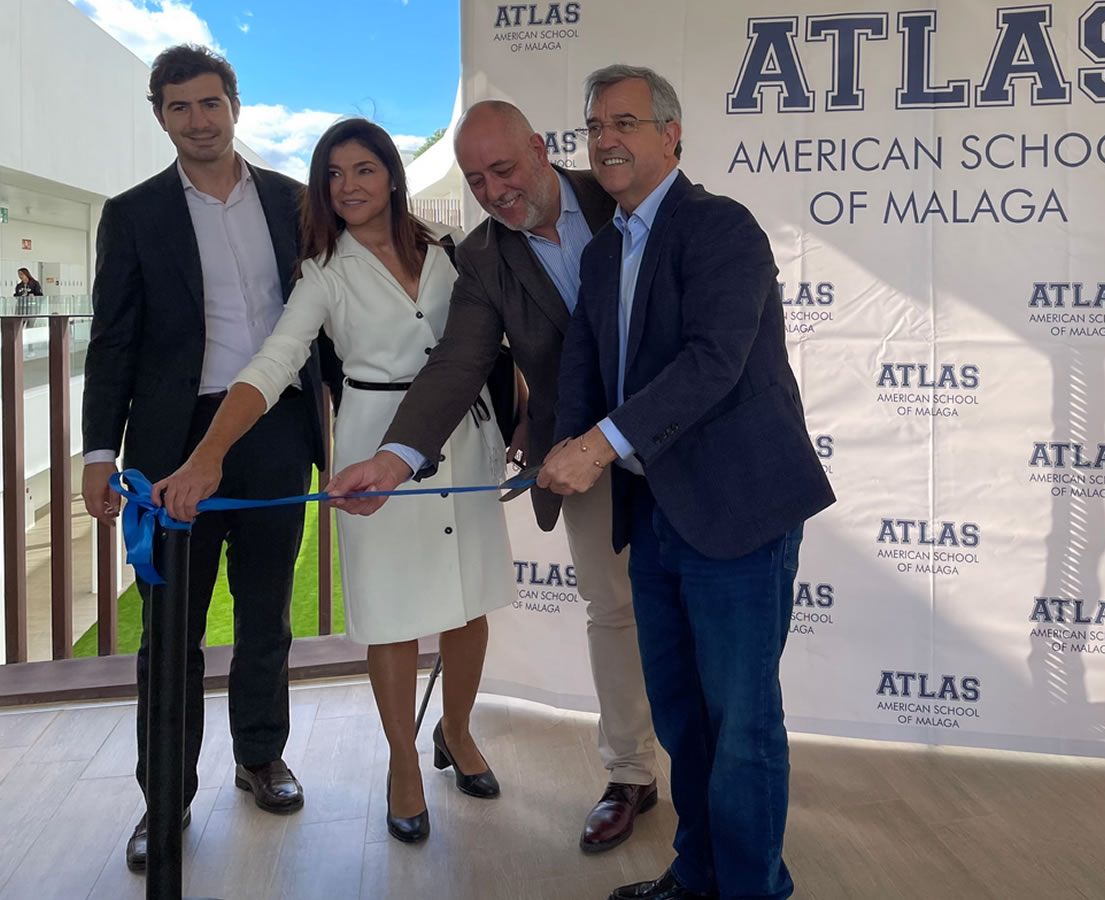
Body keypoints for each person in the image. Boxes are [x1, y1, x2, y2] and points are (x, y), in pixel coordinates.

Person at [154, 118, 512, 844]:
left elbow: (494, 341)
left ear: (391, 175)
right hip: (372, 450)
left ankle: (458, 731)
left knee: (468, 601)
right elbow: (274, 362)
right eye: (333, 175)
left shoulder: (447, 251)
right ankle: (403, 761)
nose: (348, 187)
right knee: (391, 614)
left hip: (463, 436)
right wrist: (209, 451)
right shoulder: (322, 272)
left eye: (364, 171)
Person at [327, 100, 662, 852]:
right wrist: (394, 457)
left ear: (541, 149)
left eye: (504, 168)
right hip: (577, 458)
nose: (493, 190)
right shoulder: (480, 255)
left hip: (682, 441)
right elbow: (457, 365)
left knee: (698, 614)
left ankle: (717, 781)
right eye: (476, 179)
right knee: (612, 612)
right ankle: (631, 774)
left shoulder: (621, 194)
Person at [538, 64, 834, 900]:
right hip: (654, 515)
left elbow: (713, 362)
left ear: (672, 135)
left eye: (625, 123)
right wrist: (556, 455)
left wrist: (595, 446)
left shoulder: (720, 228)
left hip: (737, 511)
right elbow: (586, 377)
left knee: (741, 725)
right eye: (595, 126)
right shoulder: (601, 255)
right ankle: (701, 873)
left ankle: (751, 889)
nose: (604, 140)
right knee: (682, 718)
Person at [79, 43, 336, 872]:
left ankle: (261, 756)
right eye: (179, 107)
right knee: (171, 631)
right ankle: (164, 800)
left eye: (210, 103)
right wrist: (95, 451)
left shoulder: (296, 204)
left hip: (276, 432)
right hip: (169, 445)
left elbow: (327, 331)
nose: (198, 120)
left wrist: (344, 444)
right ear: (160, 117)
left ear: (235, 105)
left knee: (266, 614)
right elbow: (114, 341)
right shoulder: (132, 213)